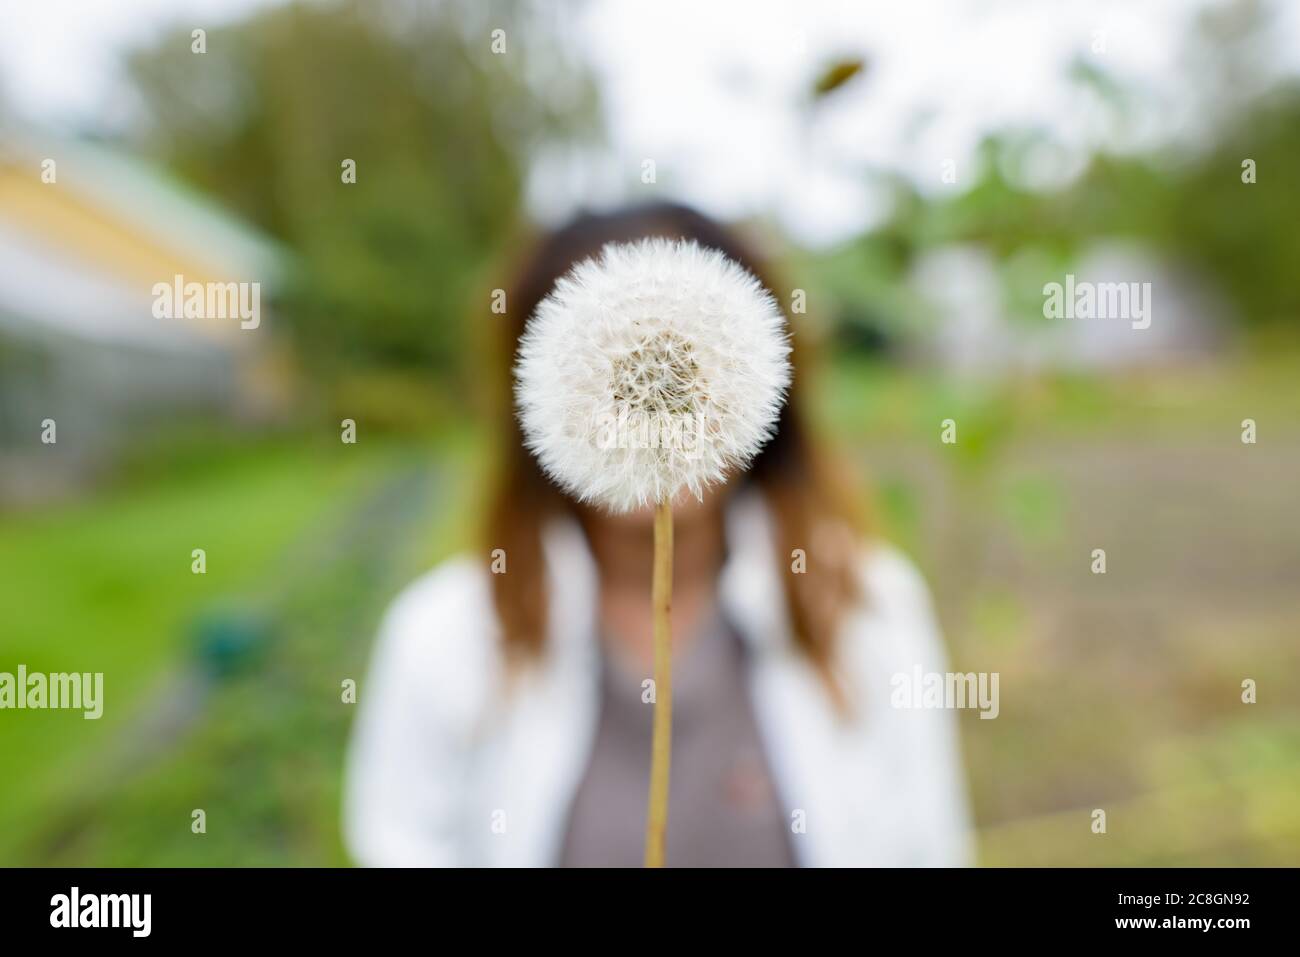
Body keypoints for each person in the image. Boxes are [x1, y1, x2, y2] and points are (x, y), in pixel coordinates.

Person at [343, 202, 972, 867]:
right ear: (537, 397)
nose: (654, 409)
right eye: (615, 374)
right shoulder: (443, 638)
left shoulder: (870, 607)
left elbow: (931, 849)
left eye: (686, 367)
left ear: (763, 385)